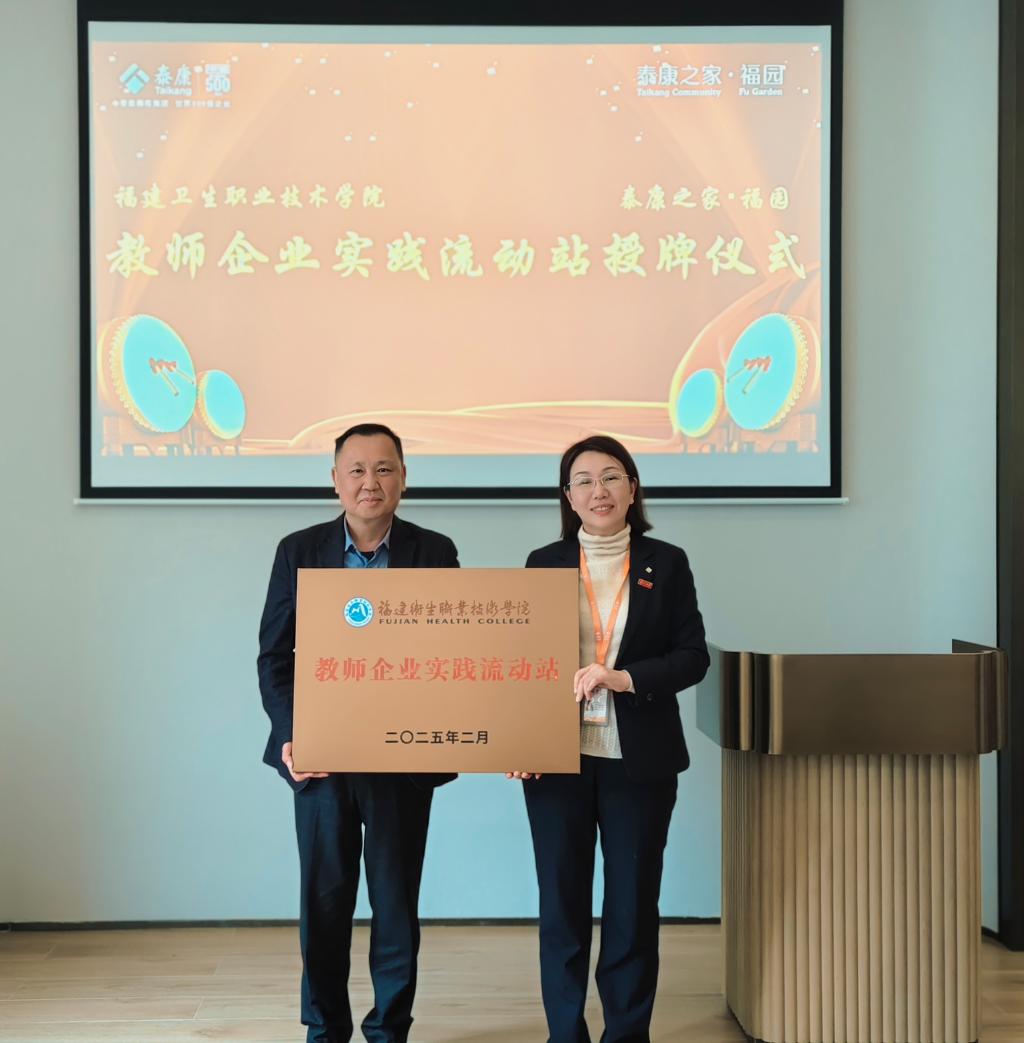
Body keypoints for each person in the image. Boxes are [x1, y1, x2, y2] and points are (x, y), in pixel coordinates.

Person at [258, 423, 459, 1043]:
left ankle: (389, 1029)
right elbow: (274, 657)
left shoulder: (435, 551)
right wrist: (292, 734)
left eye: (384, 468)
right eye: (357, 470)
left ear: (403, 478)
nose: (370, 482)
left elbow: (455, 654)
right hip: (321, 757)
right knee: (324, 903)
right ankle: (325, 1028)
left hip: (403, 755)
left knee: (396, 903)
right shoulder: (298, 550)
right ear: (335, 480)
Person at [511, 434, 709, 1043]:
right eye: (584, 481)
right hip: (557, 759)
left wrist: (623, 678)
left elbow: (693, 657)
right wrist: (518, 740)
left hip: (638, 761)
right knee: (562, 905)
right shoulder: (543, 563)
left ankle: (626, 1033)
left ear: (632, 488)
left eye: (611, 477)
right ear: (568, 497)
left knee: (631, 905)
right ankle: (564, 1033)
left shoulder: (666, 562)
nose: (598, 490)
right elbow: (522, 663)